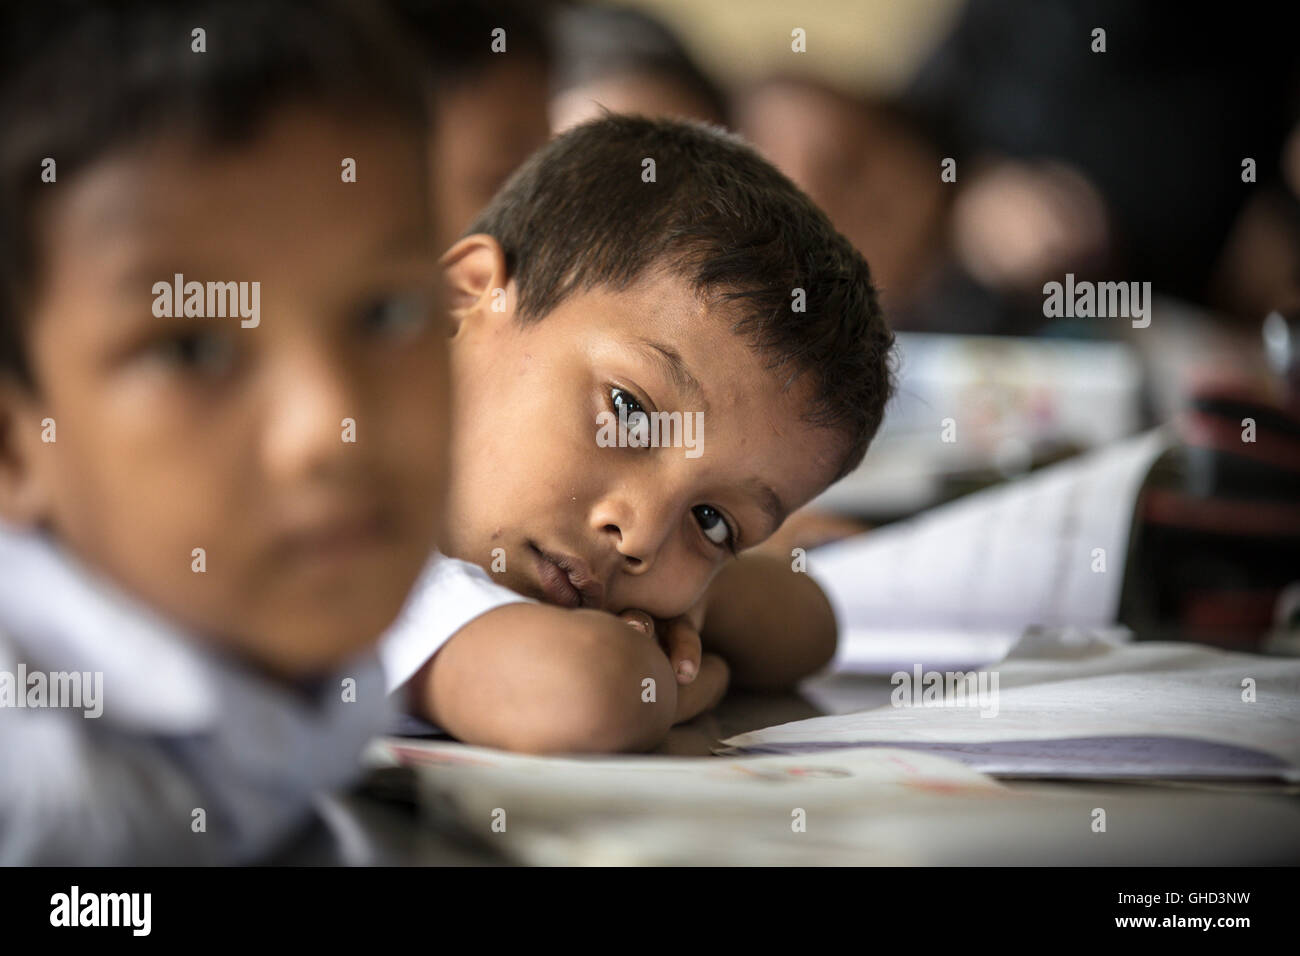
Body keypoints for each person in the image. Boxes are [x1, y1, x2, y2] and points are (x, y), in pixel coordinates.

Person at [0, 0, 450, 863]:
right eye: (193, 348)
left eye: (386, 312)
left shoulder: (265, 655)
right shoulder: (49, 799)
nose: (332, 428)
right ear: (14, 444)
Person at [382, 115, 897, 753]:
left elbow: (811, 625)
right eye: (630, 412)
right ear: (466, 297)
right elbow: (584, 695)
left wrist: (696, 607)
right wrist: (667, 684)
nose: (642, 536)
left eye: (711, 523)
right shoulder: (344, 541)